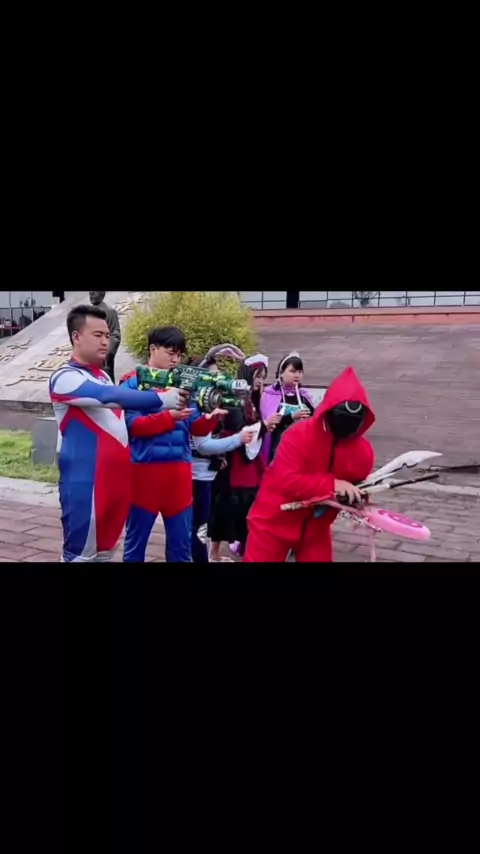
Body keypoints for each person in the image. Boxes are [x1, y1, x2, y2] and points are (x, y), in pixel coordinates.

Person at [49, 305, 186, 564]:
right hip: (86, 485)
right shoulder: (64, 377)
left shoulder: (102, 375)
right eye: (97, 335)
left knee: (105, 554)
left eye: (107, 335)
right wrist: (163, 400)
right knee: (79, 557)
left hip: (115, 484)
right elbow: (108, 397)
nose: (105, 341)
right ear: (76, 337)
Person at [243, 366, 375, 563]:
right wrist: (333, 485)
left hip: (316, 529)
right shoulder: (297, 436)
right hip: (273, 520)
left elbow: (357, 484)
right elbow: (288, 481)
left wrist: (357, 497)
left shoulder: (362, 452)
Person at [120, 327, 226, 563]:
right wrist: (168, 418)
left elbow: (195, 426)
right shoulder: (132, 382)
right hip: (144, 473)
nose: (176, 359)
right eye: (171, 353)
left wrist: (211, 418)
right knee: (136, 544)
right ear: (153, 349)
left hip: (179, 474)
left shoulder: (183, 383)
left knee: (181, 547)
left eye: (179, 354)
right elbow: (132, 425)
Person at [208, 354, 269, 561]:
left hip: (248, 462)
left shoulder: (252, 399)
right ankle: (214, 554)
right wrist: (264, 427)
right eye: (257, 376)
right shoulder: (235, 398)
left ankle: (239, 551)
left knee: (243, 508)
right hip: (234, 463)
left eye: (263, 377)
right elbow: (236, 428)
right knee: (226, 507)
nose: (260, 381)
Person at [260, 352, 315, 465]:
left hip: (299, 449)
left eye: (300, 372)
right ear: (281, 373)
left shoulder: (304, 396)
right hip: (277, 447)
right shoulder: (270, 394)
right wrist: (291, 417)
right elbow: (269, 423)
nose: (297, 375)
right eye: (293, 371)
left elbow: (315, 419)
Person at [89, 291, 121, 383]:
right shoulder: (88, 312)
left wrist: (107, 352)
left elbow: (115, 334)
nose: (91, 296)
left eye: (94, 293)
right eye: (90, 293)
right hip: (91, 354)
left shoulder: (110, 312)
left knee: (106, 380)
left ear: (102, 295)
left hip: (104, 356)